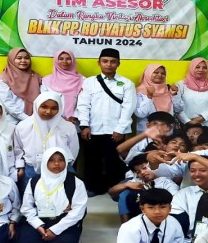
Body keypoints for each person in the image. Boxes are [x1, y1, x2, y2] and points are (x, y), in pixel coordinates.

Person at [73, 48, 135, 195]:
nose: (109, 64)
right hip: (93, 129)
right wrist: (84, 125)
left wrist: (120, 129)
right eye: (105, 61)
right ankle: (94, 188)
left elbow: (128, 108)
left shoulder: (126, 84)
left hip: (115, 131)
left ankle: (115, 189)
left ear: (118, 64)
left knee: (115, 161)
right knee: (92, 160)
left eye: (113, 61)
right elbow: (83, 105)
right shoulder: (89, 82)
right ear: (99, 63)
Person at [10, 147, 87, 243]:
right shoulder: (34, 181)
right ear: (45, 161)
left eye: (61, 160)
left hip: (63, 221)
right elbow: (27, 208)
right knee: (24, 241)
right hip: (39, 219)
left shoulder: (76, 182)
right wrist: (38, 225)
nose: (56, 163)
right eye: (51, 160)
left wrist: (55, 230)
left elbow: (78, 211)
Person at [12, 91, 79, 184]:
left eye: (54, 108)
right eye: (44, 107)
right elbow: (18, 149)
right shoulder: (23, 126)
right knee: (31, 191)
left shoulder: (68, 127)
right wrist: (20, 166)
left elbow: (73, 150)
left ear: (60, 108)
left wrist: (63, 163)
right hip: (32, 169)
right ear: (37, 106)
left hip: (60, 169)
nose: (48, 111)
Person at [108, 153, 180, 223]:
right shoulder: (138, 181)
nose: (142, 172)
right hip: (140, 215)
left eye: (144, 168)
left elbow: (176, 200)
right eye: (138, 172)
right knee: (126, 194)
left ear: (152, 165)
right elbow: (111, 192)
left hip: (161, 214)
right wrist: (126, 184)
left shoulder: (165, 181)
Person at [0, 48, 42, 125]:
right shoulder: (2, 79)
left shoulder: (35, 77)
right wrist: (27, 119)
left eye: (26, 58)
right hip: (11, 121)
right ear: (11, 60)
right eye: (19, 58)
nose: (23, 61)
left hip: (35, 119)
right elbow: (7, 103)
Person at [133, 64, 184, 133]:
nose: (160, 75)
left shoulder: (169, 89)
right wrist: (149, 96)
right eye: (156, 72)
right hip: (147, 132)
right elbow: (140, 114)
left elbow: (178, 109)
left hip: (167, 131)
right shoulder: (139, 91)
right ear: (148, 73)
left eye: (163, 73)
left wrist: (174, 95)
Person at [176, 58, 208, 130]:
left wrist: (202, 118)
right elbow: (177, 105)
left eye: (204, 67)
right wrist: (187, 121)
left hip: (207, 124)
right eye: (197, 67)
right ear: (192, 68)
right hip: (185, 124)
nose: (201, 70)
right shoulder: (181, 84)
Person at [41, 49, 84, 122]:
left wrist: (74, 116)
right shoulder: (46, 80)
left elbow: (83, 101)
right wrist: (57, 117)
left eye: (68, 59)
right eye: (61, 59)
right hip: (52, 119)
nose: (65, 61)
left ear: (73, 60)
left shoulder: (82, 80)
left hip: (73, 121)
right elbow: (44, 101)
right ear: (56, 61)